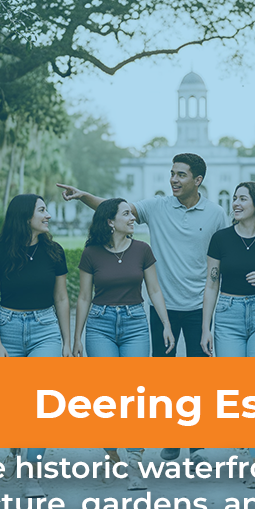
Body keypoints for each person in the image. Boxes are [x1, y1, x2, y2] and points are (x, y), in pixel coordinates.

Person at [57, 152, 228, 466]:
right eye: (172, 173)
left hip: (199, 306)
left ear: (197, 180)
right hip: (162, 307)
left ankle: (197, 444)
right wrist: (83, 197)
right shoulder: (158, 206)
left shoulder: (216, 213)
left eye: (181, 175)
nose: (174, 180)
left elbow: (220, 258)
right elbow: (115, 210)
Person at [73, 198, 175, 490]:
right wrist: (78, 336)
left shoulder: (142, 250)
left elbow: (154, 290)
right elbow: (83, 297)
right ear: (110, 221)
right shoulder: (91, 253)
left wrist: (166, 324)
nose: (133, 218)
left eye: (132, 213)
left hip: (134, 324)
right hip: (100, 325)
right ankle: (112, 454)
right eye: (126, 214)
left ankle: (135, 459)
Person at [201, 181, 255, 489]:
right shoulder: (220, 239)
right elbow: (211, 284)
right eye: (234, 198)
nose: (235, 203)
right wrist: (206, 328)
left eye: (242, 198)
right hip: (227, 317)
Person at [0, 194, 72, 498]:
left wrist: (66, 340)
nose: (48, 215)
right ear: (25, 217)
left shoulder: (54, 252)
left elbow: (61, 298)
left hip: (45, 329)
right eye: (42, 210)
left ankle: (32, 473)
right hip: (8, 328)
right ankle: (14, 449)